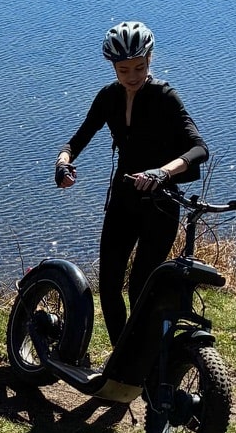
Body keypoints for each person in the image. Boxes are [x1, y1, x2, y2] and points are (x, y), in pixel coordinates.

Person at [55, 21, 209, 346]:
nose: (133, 76)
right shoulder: (108, 97)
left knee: (141, 287)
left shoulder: (165, 97)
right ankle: (120, 359)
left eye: (139, 67)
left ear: (150, 59)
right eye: (124, 70)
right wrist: (63, 164)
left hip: (160, 204)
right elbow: (77, 140)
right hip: (122, 201)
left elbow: (199, 148)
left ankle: (145, 359)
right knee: (109, 286)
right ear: (113, 67)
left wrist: (162, 172)